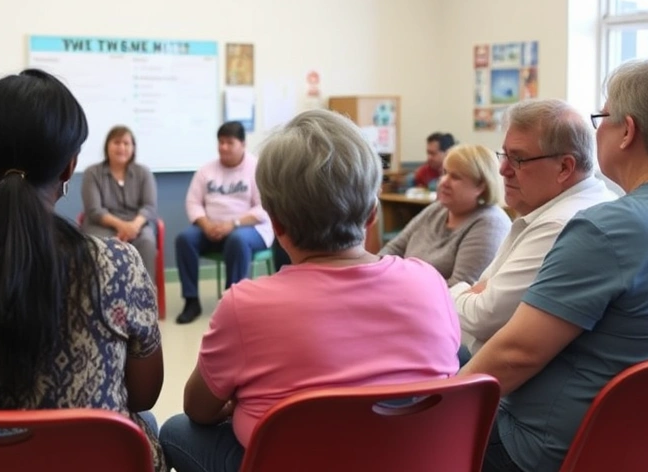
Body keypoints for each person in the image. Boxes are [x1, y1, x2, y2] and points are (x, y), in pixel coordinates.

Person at [159, 110, 460, 472]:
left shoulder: (246, 305)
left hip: (292, 460)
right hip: (410, 459)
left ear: (277, 223)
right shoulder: (429, 282)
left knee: (177, 430)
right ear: (372, 214)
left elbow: (199, 409)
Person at [0, 69, 165, 471]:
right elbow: (142, 395)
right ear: (69, 166)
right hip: (86, 461)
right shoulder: (118, 265)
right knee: (145, 423)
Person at [464, 56, 648, 472]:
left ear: (627, 131)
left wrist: (443, 412)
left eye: (603, 117)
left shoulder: (608, 228)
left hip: (552, 449)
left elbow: (516, 354)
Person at [452, 99, 615, 358]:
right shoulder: (568, 203)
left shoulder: (561, 222)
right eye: (504, 155)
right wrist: (476, 291)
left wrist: (457, 292)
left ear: (564, 167)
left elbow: (483, 317)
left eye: (518, 159)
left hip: (503, 380)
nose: (503, 170)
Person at [174, 121, 273, 324]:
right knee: (184, 239)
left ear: (243, 144)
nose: (223, 147)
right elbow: (193, 202)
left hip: (249, 228)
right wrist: (205, 224)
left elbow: (263, 208)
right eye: (220, 142)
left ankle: (232, 302)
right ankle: (191, 301)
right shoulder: (206, 170)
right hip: (211, 228)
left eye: (229, 142)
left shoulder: (257, 168)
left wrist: (233, 223)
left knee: (236, 240)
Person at [379, 144, 511, 287]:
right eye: (444, 173)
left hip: (437, 306)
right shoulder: (438, 209)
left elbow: (460, 289)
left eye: (455, 177)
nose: (443, 182)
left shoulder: (490, 224)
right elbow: (392, 250)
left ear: (480, 186)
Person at [81, 125, 159, 269]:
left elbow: (149, 207)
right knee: (101, 243)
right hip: (102, 225)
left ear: (133, 148)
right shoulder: (92, 173)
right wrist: (123, 226)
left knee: (147, 241)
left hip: (137, 225)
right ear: (107, 146)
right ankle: (104, 290)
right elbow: (94, 210)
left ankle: (145, 289)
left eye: (126, 143)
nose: (121, 148)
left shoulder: (144, 173)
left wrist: (133, 226)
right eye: (117, 143)